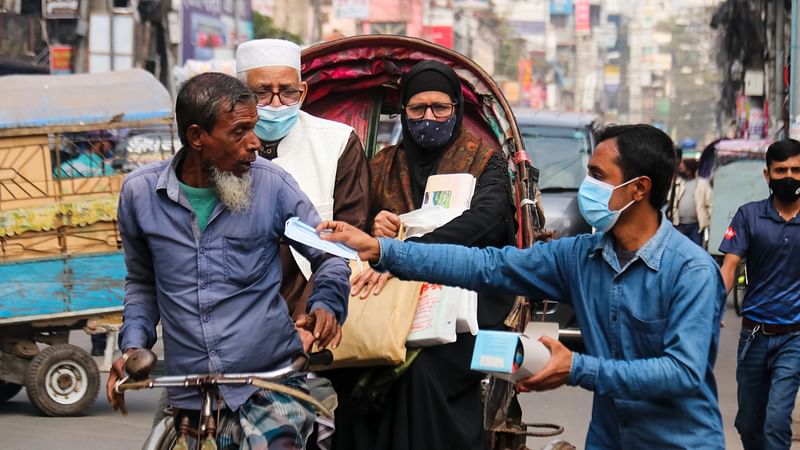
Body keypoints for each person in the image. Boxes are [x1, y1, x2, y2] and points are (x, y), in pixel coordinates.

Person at [319, 124, 727, 449]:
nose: (588, 188)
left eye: (598, 177)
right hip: (609, 437)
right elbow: (486, 265)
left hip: (682, 441)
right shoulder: (580, 256)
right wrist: (383, 250)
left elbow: (682, 372)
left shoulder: (691, 271)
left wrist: (576, 367)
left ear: (639, 189)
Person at [106, 73, 350, 449]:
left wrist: (327, 304)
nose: (254, 143)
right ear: (197, 137)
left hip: (270, 385)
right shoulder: (140, 195)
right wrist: (133, 346)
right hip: (188, 392)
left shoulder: (273, 186)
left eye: (253, 128)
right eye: (239, 132)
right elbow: (141, 282)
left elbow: (330, 254)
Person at [327, 61, 517, 450]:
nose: (428, 117)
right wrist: (376, 228)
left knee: (420, 373)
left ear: (456, 109)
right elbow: (355, 226)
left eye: (440, 108)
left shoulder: (485, 161)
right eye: (417, 109)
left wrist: (403, 252)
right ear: (404, 112)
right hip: (388, 302)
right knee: (357, 370)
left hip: (464, 300)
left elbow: (487, 221)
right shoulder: (382, 165)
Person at [235, 39, 369, 323]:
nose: (276, 104)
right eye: (261, 93)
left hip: (311, 303)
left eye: (287, 92)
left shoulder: (338, 142)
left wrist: (309, 313)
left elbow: (345, 239)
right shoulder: (222, 148)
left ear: (303, 92)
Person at [719, 139, 800, 450]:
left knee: (777, 421)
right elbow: (729, 267)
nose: (789, 176)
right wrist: (712, 309)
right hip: (753, 336)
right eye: (781, 170)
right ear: (767, 175)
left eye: (796, 169)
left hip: (794, 337)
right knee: (749, 422)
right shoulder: (748, 216)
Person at [667, 158, 712, 247]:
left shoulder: (702, 183)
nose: (680, 170)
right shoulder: (677, 182)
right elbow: (670, 200)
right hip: (678, 224)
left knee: (696, 249)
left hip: (695, 226)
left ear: (689, 169)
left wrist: (707, 221)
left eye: (682, 168)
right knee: (678, 249)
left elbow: (709, 203)